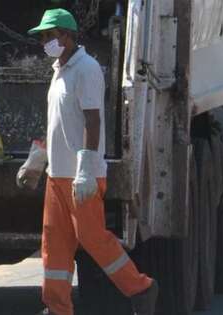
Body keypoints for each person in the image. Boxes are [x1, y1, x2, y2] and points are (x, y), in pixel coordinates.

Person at [17, 9, 159, 315]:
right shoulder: (60, 70)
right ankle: (57, 307)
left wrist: (85, 170)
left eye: (50, 36)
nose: (45, 42)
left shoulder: (87, 69)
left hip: (82, 176)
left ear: (68, 36)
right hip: (58, 175)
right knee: (54, 243)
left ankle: (141, 287)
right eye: (42, 37)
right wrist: (38, 159)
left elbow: (93, 121)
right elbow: (60, 122)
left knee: (92, 238)